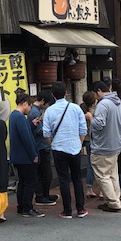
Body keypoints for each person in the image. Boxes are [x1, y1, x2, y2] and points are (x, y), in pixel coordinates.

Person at [43, 81, 88, 219]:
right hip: (74, 148)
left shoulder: (49, 111)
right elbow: (83, 129)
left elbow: (46, 133)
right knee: (77, 179)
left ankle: (67, 210)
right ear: (66, 93)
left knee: (63, 179)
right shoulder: (75, 108)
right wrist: (79, 144)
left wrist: (52, 144)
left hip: (58, 148)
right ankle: (80, 209)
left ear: (52, 95)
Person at [90, 81, 121, 213]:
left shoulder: (103, 104)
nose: (94, 96)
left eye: (94, 93)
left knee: (102, 176)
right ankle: (115, 199)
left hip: (103, 145)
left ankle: (113, 202)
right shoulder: (118, 102)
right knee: (112, 174)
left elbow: (99, 124)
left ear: (98, 91)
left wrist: (90, 118)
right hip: (115, 143)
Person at [9, 93, 44, 218]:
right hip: (25, 156)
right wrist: (34, 155)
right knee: (30, 182)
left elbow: (23, 133)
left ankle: (21, 207)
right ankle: (27, 208)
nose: (29, 109)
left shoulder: (13, 116)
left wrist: (31, 125)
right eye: (29, 106)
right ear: (25, 103)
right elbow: (27, 138)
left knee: (23, 182)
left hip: (17, 156)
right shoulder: (20, 117)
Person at [27, 90, 59, 206]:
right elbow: (38, 131)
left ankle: (45, 194)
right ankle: (41, 196)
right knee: (45, 173)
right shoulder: (34, 113)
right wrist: (50, 128)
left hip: (40, 145)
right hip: (40, 146)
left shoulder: (35, 111)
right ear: (43, 101)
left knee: (44, 173)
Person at [80, 90, 99, 198]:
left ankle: (89, 188)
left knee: (90, 164)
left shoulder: (82, 110)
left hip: (86, 140)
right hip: (95, 140)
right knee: (98, 165)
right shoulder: (95, 111)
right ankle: (101, 190)